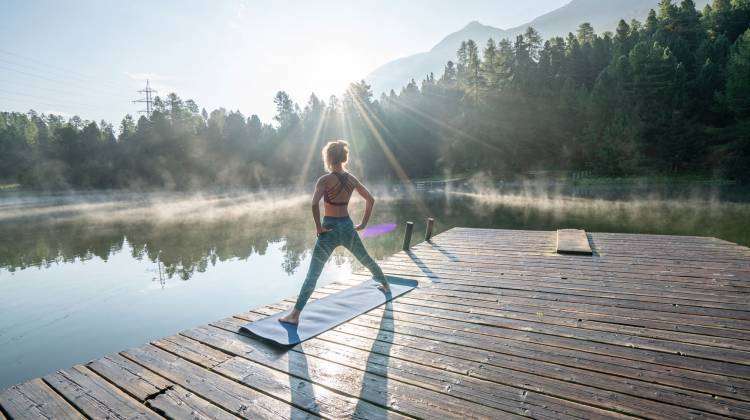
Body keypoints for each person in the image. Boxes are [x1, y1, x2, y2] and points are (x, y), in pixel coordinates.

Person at [279, 140, 390, 325]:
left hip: (329, 229)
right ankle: (386, 285)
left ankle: (295, 315)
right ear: (344, 157)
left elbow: (314, 204)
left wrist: (318, 228)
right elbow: (370, 199)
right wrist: (362, 224)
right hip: (347, 226)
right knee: (365, 258)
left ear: (329, 157)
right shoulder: (352, 179)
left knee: (313, 274)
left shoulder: (324, 180)